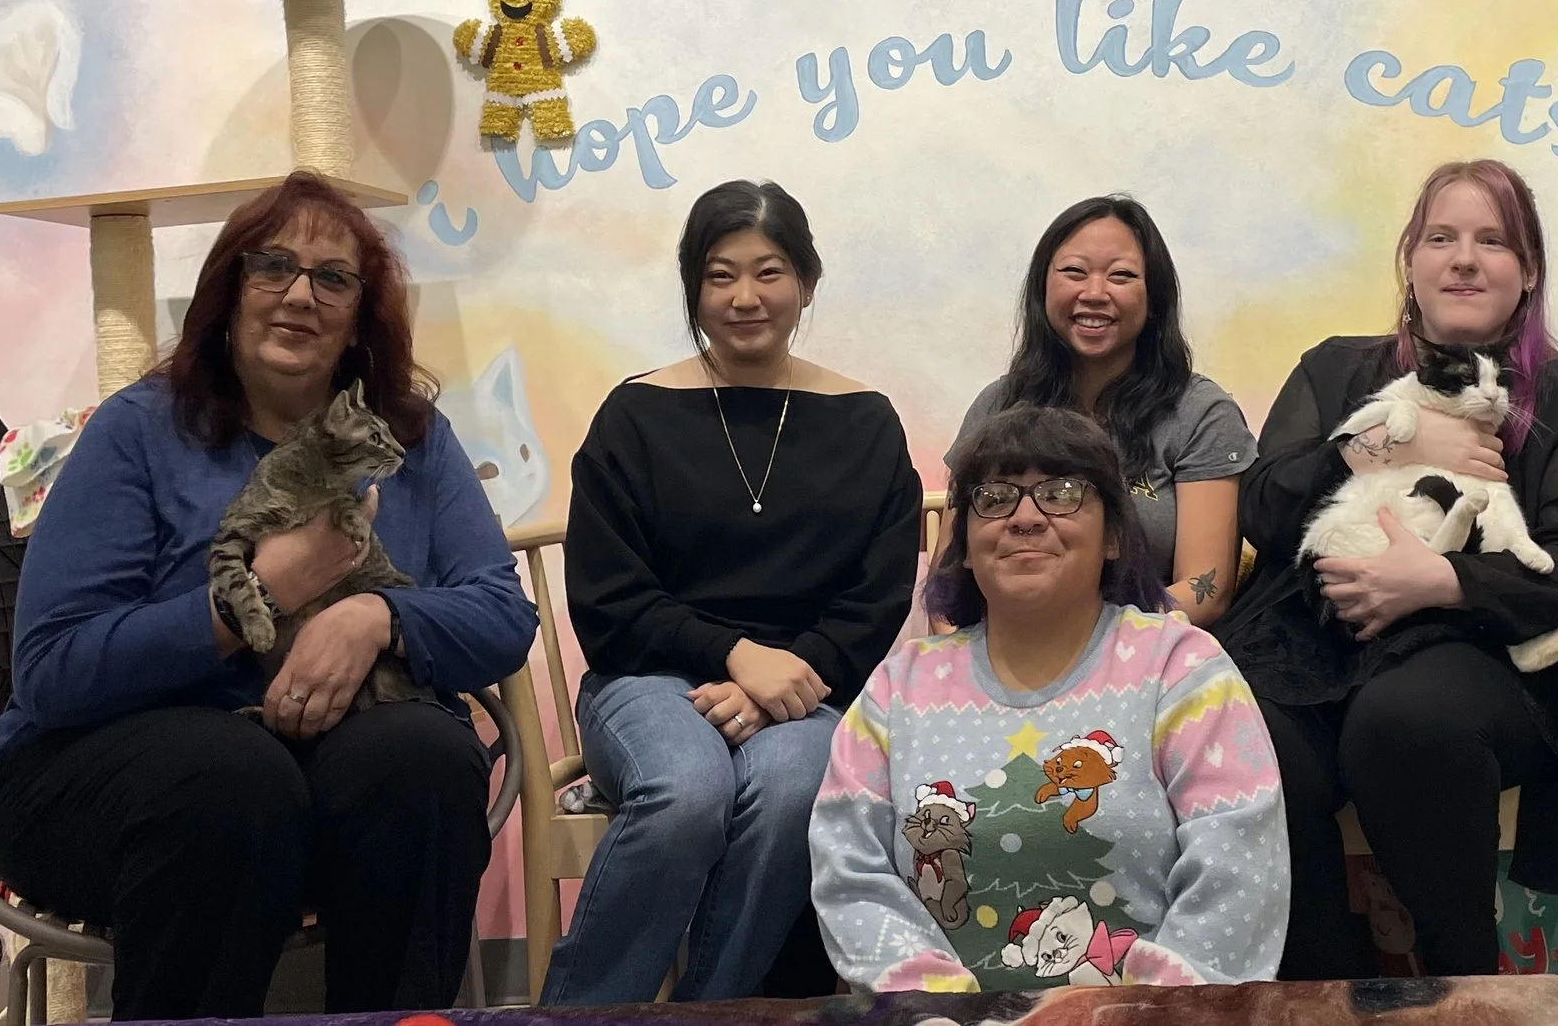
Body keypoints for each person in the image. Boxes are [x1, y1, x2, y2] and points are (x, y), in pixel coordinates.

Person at [0, 172, 537, 1021]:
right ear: (229, 294)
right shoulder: (137, 430)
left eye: (333, 278)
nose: (299, 295)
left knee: (422, 757)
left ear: (359, 319)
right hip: (102, 784)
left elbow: (502, 614)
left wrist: (373, 614)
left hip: (313, 790)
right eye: (272, 267)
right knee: (233, 777)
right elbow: (52, 670)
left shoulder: (413, 438)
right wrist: (262, 595)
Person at [1214, 158, 1558, 979]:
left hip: (1476, 652)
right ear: (1412, 260)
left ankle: (1461, 985)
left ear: (1529, 270)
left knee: (1405, 720)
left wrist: (1445, 582)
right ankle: (1318, 987)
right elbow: (1262, 505)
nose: (1464, 258)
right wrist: (1386, 445)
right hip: (1311, 641)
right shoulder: (1336, 368)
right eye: (1441, 237)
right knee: (1244, 731)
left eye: (1492, 240)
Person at [545, 180, 922, 1003]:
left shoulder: (866, 420)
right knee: (688, 791)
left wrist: (786, 679)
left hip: (802, 689)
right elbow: (608, 599)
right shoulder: (636, 414)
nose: (745, 297)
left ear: (807, 283)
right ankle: (581, 1015)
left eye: (769, 272)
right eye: (720, 275)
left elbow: (878, 592)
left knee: (796, 784)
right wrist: (738, 655)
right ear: (693, 287)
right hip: (645, 678)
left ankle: (712, 1011)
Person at [810, 405, 1286, 991]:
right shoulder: (899, 685)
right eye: (994, 497)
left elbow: (1239, 870)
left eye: (1061, 493)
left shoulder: (1183, 669)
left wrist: (1145, 1013)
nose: (1025, 517)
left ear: (1114, 534)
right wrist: (940, 1008)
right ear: (964, 538)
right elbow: (848, 867)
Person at [956, 196, 1253, 625]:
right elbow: (952, 580)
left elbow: (1205, 589)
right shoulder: (996, 405)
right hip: (1002, 652)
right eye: (1075, 272)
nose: (1094, 293)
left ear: (1155, 299)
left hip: (1149, 655)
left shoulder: (1200, 412)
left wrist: (1085, 648)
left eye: (1122, 276)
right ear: (1043, 287)